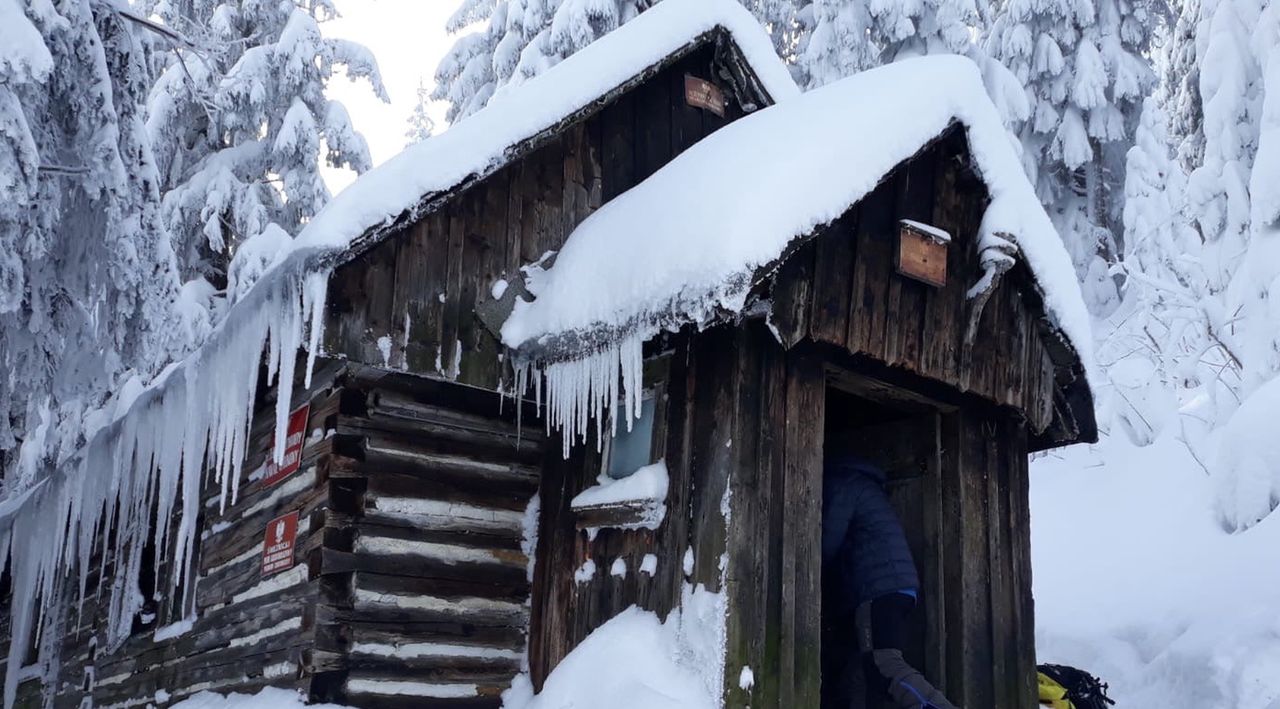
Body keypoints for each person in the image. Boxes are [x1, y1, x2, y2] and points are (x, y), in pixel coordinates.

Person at [822, 457, 958, 709]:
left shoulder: (841, 484)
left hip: (877, 589)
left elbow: (826, 543)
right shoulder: (864, 486)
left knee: (882, 664)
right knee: (860, 673)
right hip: (898, 588)